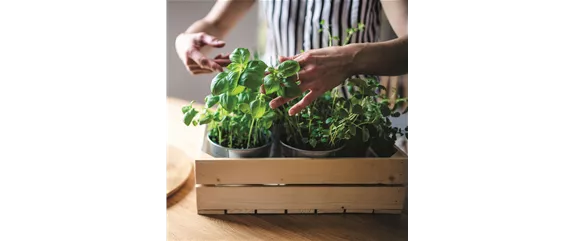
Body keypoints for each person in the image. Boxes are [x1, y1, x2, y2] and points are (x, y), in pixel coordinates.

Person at [175, 0, 408, 116]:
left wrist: (350, 60)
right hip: (274, 110)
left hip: (349, 115)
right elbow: (215, 23)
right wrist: (185, 38)